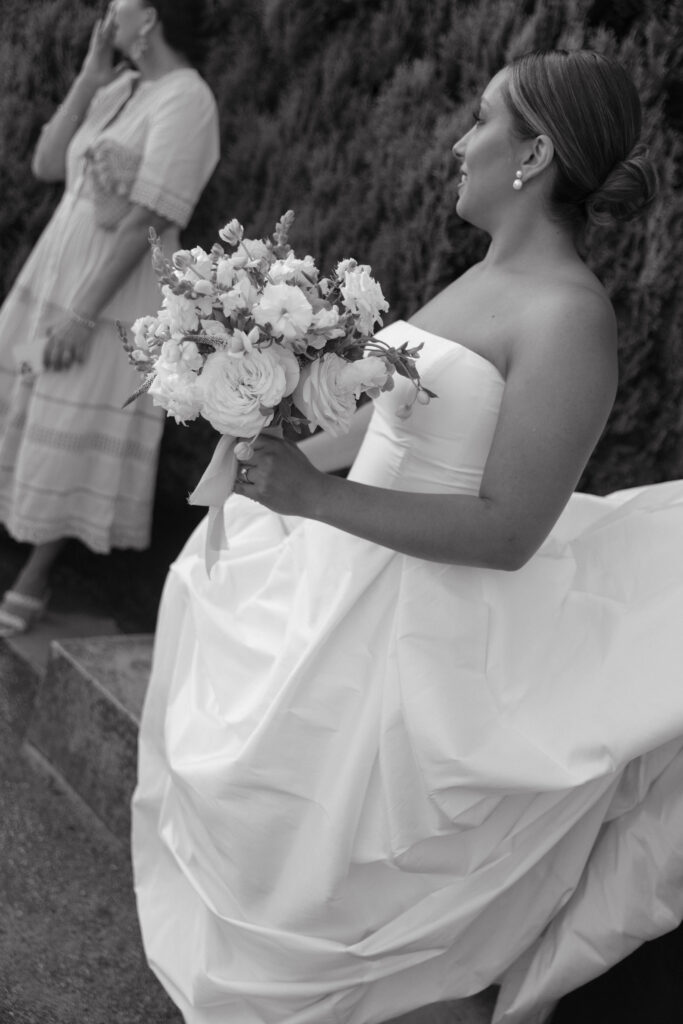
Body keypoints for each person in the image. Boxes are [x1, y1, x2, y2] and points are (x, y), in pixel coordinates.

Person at [132, 49, 683, 1024]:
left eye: (479, 121)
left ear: (533, 156)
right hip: (343, 578)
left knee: (359, 896)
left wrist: (312, 499)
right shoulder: (479, 277)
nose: (458, 143)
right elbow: (388, 417)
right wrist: (269, 419)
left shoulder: (569, 317)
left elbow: (508, 529)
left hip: (431, 631)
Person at [0, 0, 219, 636]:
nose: (106, 13)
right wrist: (91, 77)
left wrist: (80, 314)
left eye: (117, 5)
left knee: (70, 404)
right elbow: (46, 164)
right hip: (52, 273)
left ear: (149, 18)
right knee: (25, 403)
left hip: (111, 296)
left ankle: (34, 578)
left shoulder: (188, 99)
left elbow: (151, 215)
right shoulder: (121, 86)